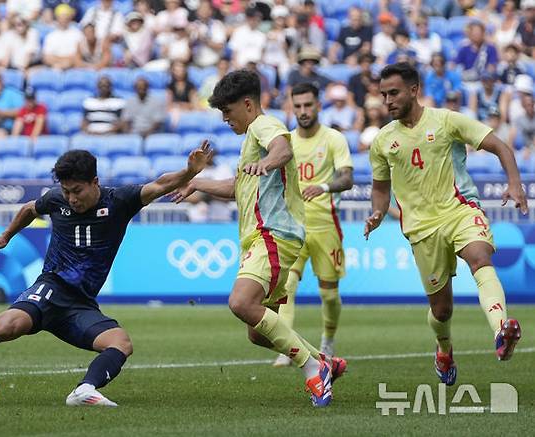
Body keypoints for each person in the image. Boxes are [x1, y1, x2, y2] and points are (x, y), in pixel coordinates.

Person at [0, 144, 213, 407]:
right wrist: (7, 235)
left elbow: (158, 185)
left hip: (81, 304)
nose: (72, 198)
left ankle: (84, 391)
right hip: (51, 288)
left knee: (120, 342)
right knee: (8, 325)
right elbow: (30, 209)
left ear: (95, 182)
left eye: (77, 191)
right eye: (67, 191)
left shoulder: (119, 201)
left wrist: (188, 172)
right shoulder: (56, 200)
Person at [170, 70, 346, 408]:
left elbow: (283, 149)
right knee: (257, 331)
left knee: (240, 303)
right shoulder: (250, 141)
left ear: (248, 104)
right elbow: (239, 188)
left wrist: (266, 162)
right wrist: (197, 183)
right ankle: (325, 362)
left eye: (228, 111)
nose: (225, 119)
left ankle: (313, 368)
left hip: (273, 235)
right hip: (260, 239)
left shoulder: (263, 127)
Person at [365, 62, 527, 386]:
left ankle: (500, 331)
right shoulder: (382, 141)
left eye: (394, 93)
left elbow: (499, 145)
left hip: (460, 209)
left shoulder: (445, 120)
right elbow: (381, 188)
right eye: (384, 95)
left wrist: (515, 183)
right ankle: (443, 350)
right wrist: (377, 213)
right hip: (422, 229)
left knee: (480, 257)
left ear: (414, 90)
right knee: (441, 311)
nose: (388, 101)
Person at [272, 83, 353, 368]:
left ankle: (328, 340)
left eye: (308, 105)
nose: (304, 111)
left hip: (325, 225)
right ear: (292, 108)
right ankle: (287, 346)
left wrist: (323, 186)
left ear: (318, 105)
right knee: (287, 286)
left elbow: (347, 178)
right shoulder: (286, 142)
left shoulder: (334, 139)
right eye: (298, 106)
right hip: (294, 226)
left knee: (329, 295)